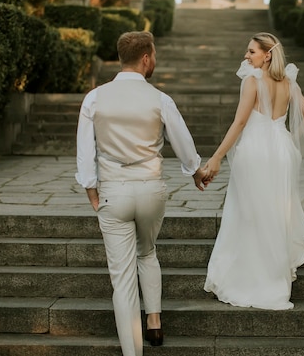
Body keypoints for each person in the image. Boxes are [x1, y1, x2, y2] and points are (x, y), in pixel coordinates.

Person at [75, 31, 207, 356]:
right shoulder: (160, 99)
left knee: (122, 279)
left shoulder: (94, 98)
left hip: (112, 191)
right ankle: (155, 321)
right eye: (155, 55)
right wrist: (196, 172)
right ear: (146, 58)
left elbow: (83, 150)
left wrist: (91, 188)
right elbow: (185, 146)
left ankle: (133, 352)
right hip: (151, 189)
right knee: (147, 253)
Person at [202, 32, 304, 310]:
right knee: (276, 215)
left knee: (249, 215)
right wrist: (289, 137)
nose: (246, 56)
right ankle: (276, 282)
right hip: (282, 151)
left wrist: (216, 157)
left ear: (267, 55)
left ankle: (251, 281)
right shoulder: (288, 82)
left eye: (251, 51)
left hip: (255, 152)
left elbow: (240, 122)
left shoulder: (252, 81)